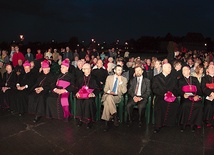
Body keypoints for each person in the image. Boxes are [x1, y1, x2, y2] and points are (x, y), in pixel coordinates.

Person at [152, 63, 179, 133]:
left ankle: (169, 123)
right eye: (169, 67)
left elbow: (176, 89)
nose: (170, 69)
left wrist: (173, 94)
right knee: (160, 105)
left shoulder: (173, 78)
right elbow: (154, 89)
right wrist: (164, 94)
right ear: (163, 68)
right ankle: (158, 125)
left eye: (170, 68)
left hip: (171, 97)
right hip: (161, 96)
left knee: (175, 104)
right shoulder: (156, 78)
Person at [101, 65, 128, 131]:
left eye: (121, 70)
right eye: (118, 70)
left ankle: (107, 123)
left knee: (108, 100)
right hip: (108, 95)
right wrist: (109, 91)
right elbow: (105, 89)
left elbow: (124, 91)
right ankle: (115, 116)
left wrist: (121, 82)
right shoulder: (109, 77)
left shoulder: (124, 79)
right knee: (109, 98)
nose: (119, 71)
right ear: (115, 70)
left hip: (116, 97)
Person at [178, 66, 203, 132]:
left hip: (194, 97)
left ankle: (193, 124)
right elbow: (178, 90)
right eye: (182, 70)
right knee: (185, 104)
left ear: (189, 71)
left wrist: (197, 95)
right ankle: (183, 124)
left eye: (185, 70)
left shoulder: (194, 79)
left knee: (199, 105)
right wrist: (183, 94)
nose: (183, 72)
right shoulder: (180, 80)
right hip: (185, 97)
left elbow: (199, 90)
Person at [75, 63, 99, 129]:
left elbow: (98, 88)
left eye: (89, 68)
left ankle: (88, 121)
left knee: (88, 101)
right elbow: (76, 87)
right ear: (83, 70)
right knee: (79, 100)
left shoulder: (94, 78)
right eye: (86, 69)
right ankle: (80, 119)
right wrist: (77, 93)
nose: (88, 70)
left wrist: (93, 94)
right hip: (81, 95)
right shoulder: (80, 78)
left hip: (90, 96)